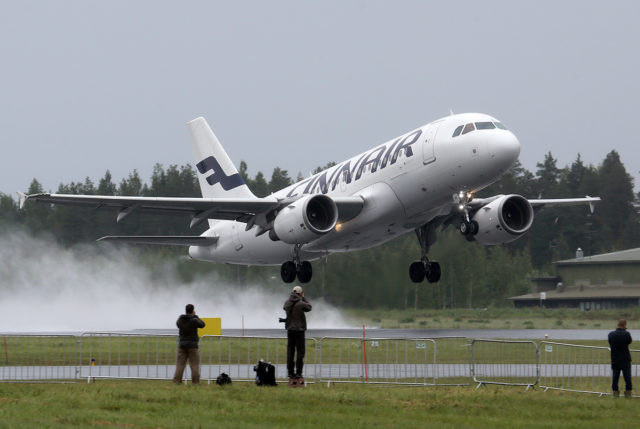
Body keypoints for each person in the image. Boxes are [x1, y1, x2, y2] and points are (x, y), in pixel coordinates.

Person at [283, 285, 312, 382]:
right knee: (300, 352)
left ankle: (290, 372)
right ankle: (298, 372)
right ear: (300, 293)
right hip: (299, 330)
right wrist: (303, 297)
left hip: (290, 330)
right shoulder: (301, 303)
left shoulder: (287, 302)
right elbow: (309, 307)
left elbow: (285, 308)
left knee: (290, 352)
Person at [173, 304, 206, 385]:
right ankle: (195, 382)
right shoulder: (194, 320)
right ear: (192, 310)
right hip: (192, 345)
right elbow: (202, 324)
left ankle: (177, 381)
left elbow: (177, 325)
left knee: (180, 365)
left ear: (186, 310)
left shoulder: (180, 320)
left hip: (182, 345)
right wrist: (195, 316)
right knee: (194, 365)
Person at [608, 318, 632, 398]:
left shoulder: (611, 334)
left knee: (615, 378)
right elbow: (629, 341)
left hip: (615, 359)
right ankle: (628, 393)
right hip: (625, 360)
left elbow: (610, 342)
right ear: (625, 325)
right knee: (627, 378)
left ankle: (615, 393)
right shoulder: (626, 334)